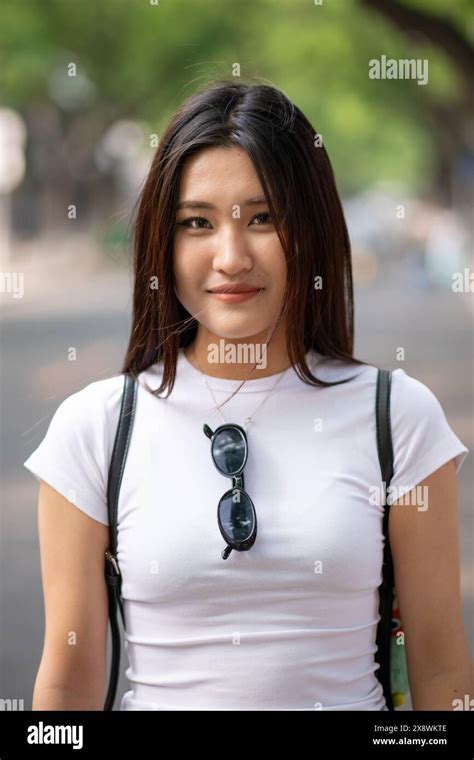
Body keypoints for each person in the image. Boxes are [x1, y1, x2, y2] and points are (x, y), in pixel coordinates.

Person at [24, 80, 471, 711]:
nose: (231, 257)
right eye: (197, 223)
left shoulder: (397, 418)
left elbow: (443, 673)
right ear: (163, 239)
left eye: (263, 218)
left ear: (311, 229)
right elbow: (67, 683)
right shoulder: (95, 428)